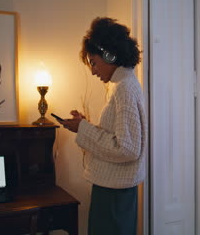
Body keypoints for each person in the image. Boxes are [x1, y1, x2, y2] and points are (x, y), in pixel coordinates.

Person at [59, 17, 147, 235]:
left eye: (93, 62)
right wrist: (84, 125)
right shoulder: (123, 84)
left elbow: (127, 148)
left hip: (113, 192)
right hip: (114, 188)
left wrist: (83, 129)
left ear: (109, 55)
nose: (93, 71)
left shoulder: (123, 88)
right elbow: (119, 138)